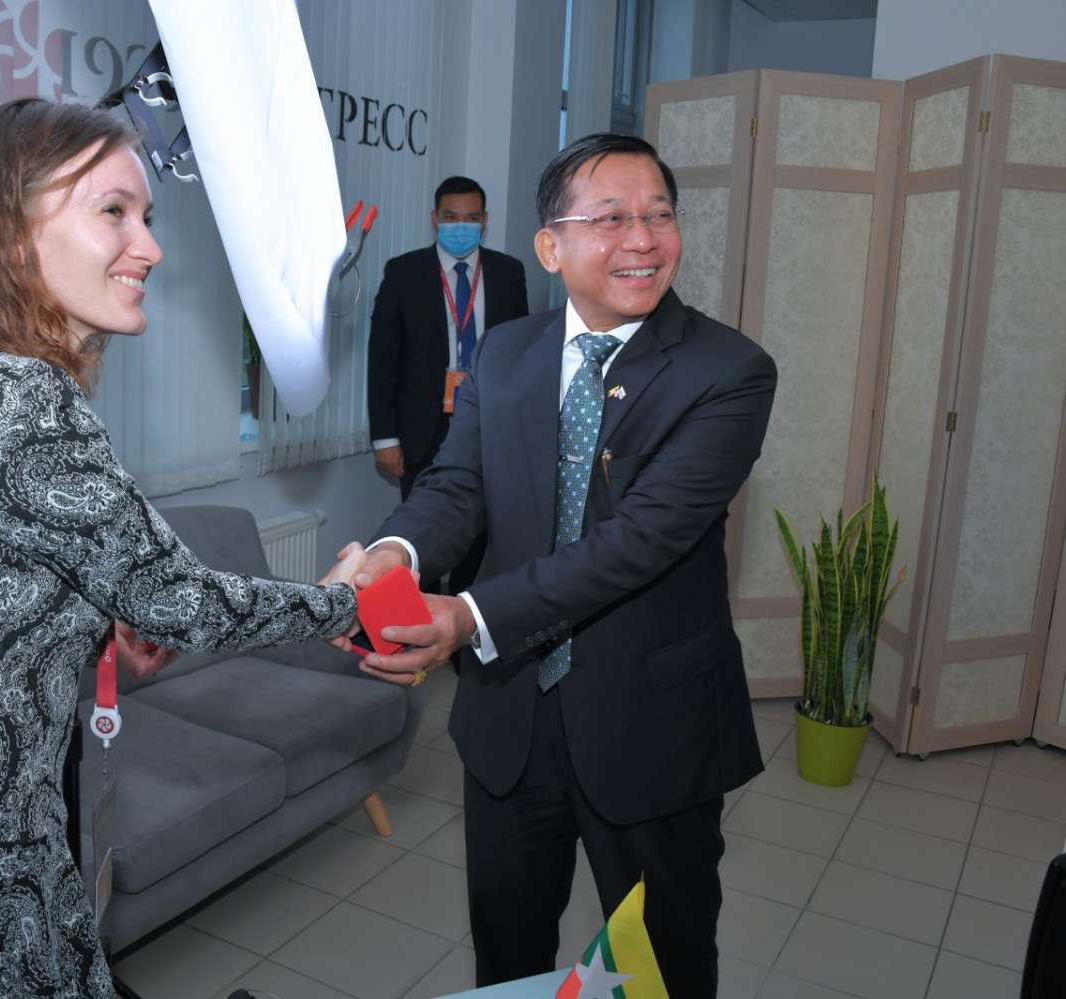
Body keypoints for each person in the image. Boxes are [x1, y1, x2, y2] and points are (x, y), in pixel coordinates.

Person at [0, 98, 364, 999]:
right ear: (11, 233)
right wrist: (344, 597)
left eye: (148, 216)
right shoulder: (24, 400)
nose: (150, 247)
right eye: (113, 211)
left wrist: (92, 629)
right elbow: (187, 603)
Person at [329, 134, 777, 997]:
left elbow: (636, 542)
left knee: (663, 968)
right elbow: (457, 485)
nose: (642, 239)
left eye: (659, 216)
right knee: (508, 955)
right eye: (611, 218)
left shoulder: (727, 372)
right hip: (510, 724)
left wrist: (467, 617)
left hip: (652, 727)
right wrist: (393, 552)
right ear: (550, 245)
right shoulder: (506, 353)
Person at [366, 176, 529, 594]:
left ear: (485, 221)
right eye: (451, 217)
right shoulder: (403, 272)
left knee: (479, 531)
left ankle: (463, 620)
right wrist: (385, 438)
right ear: (434, 218)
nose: (461, 226)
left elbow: (521, 356)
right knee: (420, 531)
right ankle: (423, 616)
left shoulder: (509, 273)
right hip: (422, 426)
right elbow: (383, 359)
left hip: (487, 422)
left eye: (471, 218)